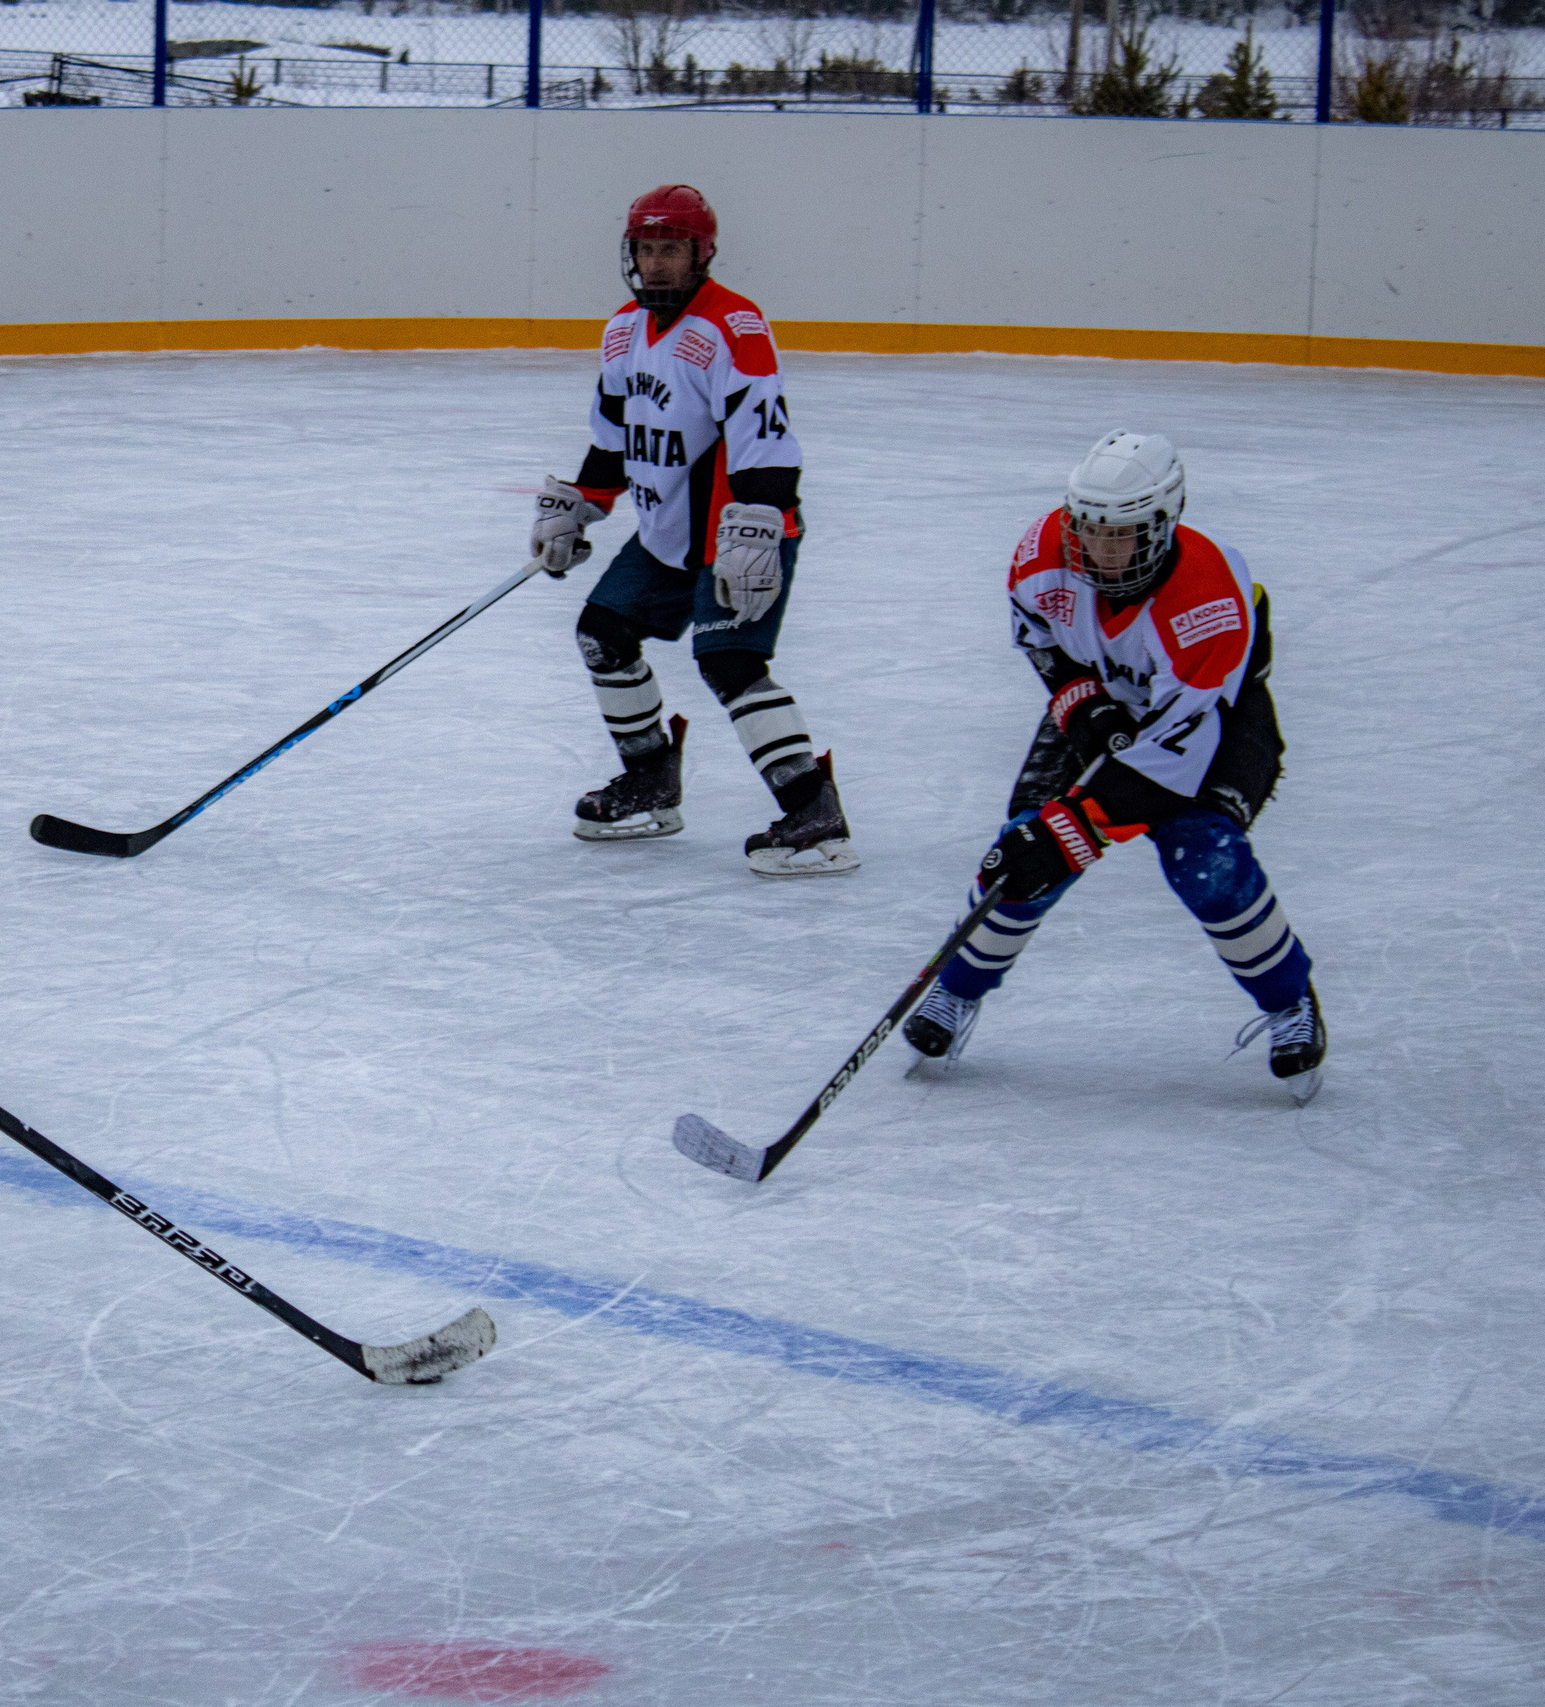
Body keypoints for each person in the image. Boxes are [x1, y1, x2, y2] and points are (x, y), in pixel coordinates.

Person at [904, 430, 1327, 1102]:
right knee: (1020, 850)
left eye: (1119, 534)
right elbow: (1042, 643)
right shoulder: (1042, 553)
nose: (1097, 551)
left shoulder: (1207, 602)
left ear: (1161, 527)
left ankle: (1288, 1003)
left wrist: (1071, 829)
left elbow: (1168, 764)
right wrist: (1085, 710)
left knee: (1204, 859)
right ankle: (955, 995)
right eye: (1088, 531)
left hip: (1214, 718)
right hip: (1112, 696)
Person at [528, 183, 854, 876]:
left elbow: (767, 439)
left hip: (741, 533)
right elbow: (614, 440)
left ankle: (814, 813)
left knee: (730, 662)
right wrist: (579, 502)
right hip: (666, 533)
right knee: (603, 633)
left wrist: (761, 523)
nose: (657, 264)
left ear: (701, 252)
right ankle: (651, 780)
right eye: (646, 249)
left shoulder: (731, 327)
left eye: (671, 249)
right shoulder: (622, 331)